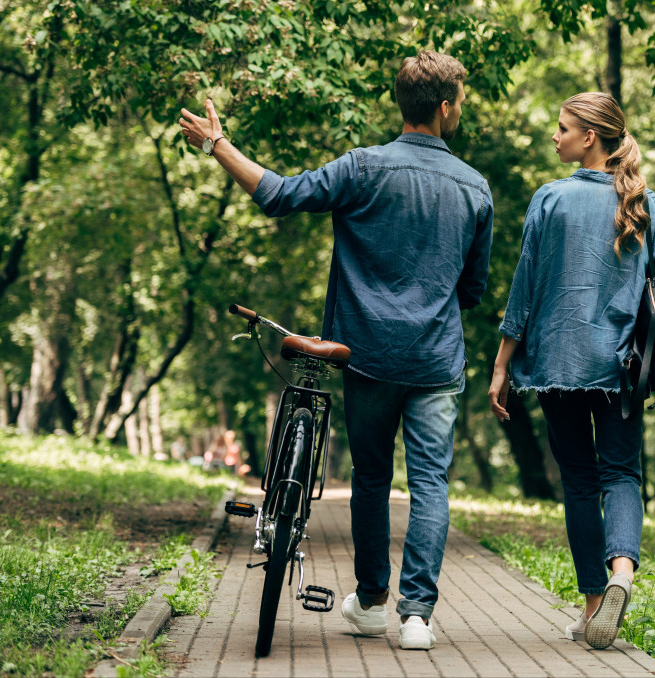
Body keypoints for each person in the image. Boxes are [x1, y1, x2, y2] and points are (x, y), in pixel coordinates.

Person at [179, 51, 493, 651]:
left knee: (371, 477)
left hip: (366, 353)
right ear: (447, 107)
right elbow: (472, 290)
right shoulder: (475, 188)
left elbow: (277, 194)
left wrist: (218, 143)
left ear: (402, 105)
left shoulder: (362, 168)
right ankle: (417, 617)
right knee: (430, 483)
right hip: (434, 361)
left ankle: (372, 600)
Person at [488, 92, 655, 650]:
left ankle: (594, 604)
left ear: (590, 138)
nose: (555, 137)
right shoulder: (646, 203)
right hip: (624, 365)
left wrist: (502, 365)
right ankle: (622, 571)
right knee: (621, 474)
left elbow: (523, 290)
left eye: (562, 129)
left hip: (557, 362)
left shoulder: (549, 200)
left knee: (579, 481)